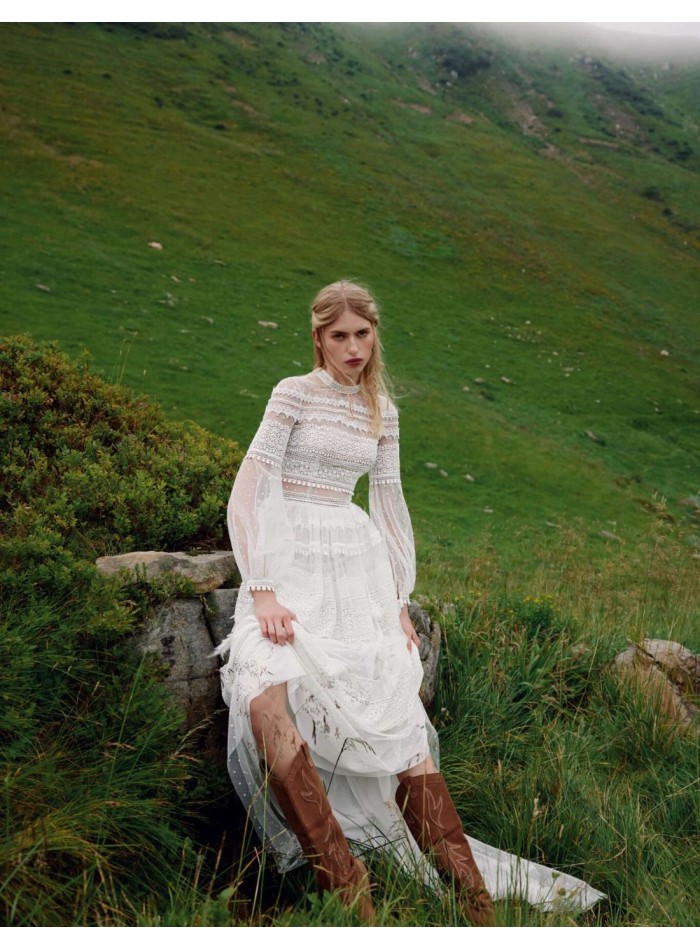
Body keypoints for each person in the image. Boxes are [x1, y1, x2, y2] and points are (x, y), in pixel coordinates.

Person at [215, 280, 604, 925]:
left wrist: (398, 599)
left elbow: (389, 504)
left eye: (362, 335)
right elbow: (248, 489)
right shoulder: (292, 394)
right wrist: (262, 590)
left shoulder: (382, 411)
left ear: (375, 336)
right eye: (338, 335)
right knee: (262, 694)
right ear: (318, 336)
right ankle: (348, 886)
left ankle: (476, 902)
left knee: (393, 710)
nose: (352, 348)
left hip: (355, 566)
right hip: (289, 563)